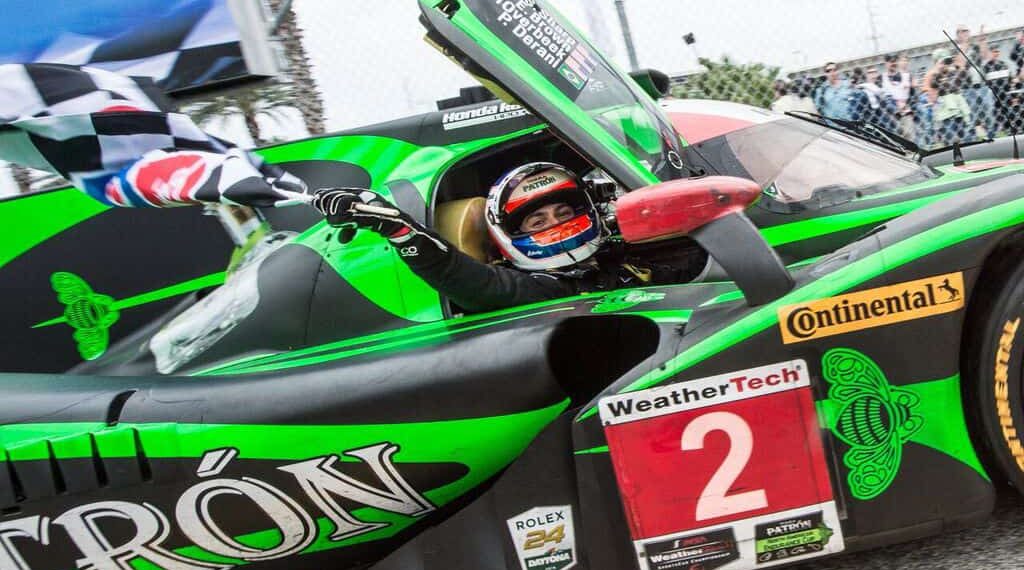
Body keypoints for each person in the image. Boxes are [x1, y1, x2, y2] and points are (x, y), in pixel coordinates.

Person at [310, 163, 707, 313]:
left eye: (564, 212)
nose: (556, 223)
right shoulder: (533, 290)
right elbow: (462, 277)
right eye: (537, 220)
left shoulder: (619, 260)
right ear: (509, 234)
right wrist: (399, 228)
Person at [928, 48, 971, 144]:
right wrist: (939, 72)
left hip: (958, 111)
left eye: (947, 62)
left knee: (964, 137)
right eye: (943, 62)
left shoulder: (953, 72)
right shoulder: (935, 76)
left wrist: (956, 66)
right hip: (945, 114)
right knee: (951, 139)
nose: (946, 64)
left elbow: (962, 77)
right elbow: (932, 98)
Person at [882, 53, 914, 138]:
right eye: (890, 61)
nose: (893, 63)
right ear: (886, 63)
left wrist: (909, 105)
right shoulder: (882, 78)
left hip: (906, 111)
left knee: (909, 136)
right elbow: (883, 98)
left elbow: (912, 94)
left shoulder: (906, 76)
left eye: (895, 61)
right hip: (891, 114)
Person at [983, 44, 1012, 134]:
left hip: (1005, 93)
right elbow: (986, 81)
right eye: (994, 52)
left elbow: (1009, 78)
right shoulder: (987, 66)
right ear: (990, 53)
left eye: (997, 51)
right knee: (996, 112)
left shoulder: (1003, 64)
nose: (996, 53)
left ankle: (1008, 128)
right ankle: (997, 130)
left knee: (1007, 111)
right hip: (994, 94)